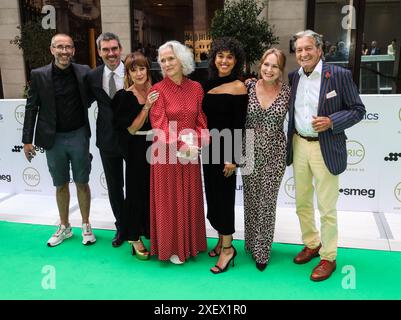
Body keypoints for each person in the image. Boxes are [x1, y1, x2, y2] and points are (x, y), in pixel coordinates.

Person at [286, 30, 366, 281]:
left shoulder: (339, 75)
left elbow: (357, 109)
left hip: (325, 147)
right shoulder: (293, 78)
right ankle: (312, 243)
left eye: (308, 48)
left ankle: (328, 257)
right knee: (302, 203)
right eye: (299, 50)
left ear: (320, 50)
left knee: (327, 208)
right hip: (299, 145)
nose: (303, 54)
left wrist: (332, 120)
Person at [22, 33, 96, 247]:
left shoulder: (83, 72)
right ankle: (64, 226)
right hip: (52, 139)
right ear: (52, 49)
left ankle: (86, 224)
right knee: (60, 183)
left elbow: (91, 96)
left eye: (68, 47)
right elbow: (31, 106)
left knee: (83, 182)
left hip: (79, 135)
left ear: (73, 50)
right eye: (60, 47)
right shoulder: (39, 75)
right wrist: (27, 139)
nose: (64, 51)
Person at [149, 40, 209, 264]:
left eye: (170, 58)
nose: (166, 64)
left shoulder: (196, 88)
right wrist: (184, 147)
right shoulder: (157, 90)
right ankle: (172, 247)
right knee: (169, 201)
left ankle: (191, 243)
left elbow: (201, 120)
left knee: (189, 198)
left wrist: (199, 143)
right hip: (166, 156)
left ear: (182, 59)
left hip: (191, 155)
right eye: (162, 60)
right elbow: (160, 124)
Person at [202, 37, 247, 274]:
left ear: (236, 61)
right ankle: (221, 240)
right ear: (214, 58)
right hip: (209, 149)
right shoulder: (207, 83)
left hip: (227, 151)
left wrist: (233, 158)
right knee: (214, 197)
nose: (224, 61)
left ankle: (228, 249)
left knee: (225, 200)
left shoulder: (239, 87)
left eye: (230, 57)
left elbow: (240, 126)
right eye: (221, 56)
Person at [242, 48, 290, 271]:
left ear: (281, 70)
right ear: (260, 65)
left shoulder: (288, 93)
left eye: (275, 66)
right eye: (266, 65)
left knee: (267, 203)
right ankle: (251, 243)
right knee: (251, 200)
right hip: (248, 152)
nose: (269, 70)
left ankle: (262, 251)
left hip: (275, 153)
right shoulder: (248, 87)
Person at [111, 52, 159, 260]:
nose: (139, 73)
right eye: (134, 69)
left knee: (154, 192)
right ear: (128, 73)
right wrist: (147, 106)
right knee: (136, 192)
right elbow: (131, 129)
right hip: (138, 148)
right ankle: (134, 237)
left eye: (142, 68)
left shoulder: (157, 90)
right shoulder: (125, 96)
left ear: (148, 70)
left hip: (159, 146)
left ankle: (153, 233)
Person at [87, 32, 126, 247]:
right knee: (114, 186)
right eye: (105, 49)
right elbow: (82, 103)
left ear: (120, 48)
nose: (111, 54)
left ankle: (140, 224)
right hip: (107, 140)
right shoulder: (93, 76)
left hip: (134, 138)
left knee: (138, 184)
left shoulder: (133, 70)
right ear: (100, 52)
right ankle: (121, 225)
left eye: (114, 48)